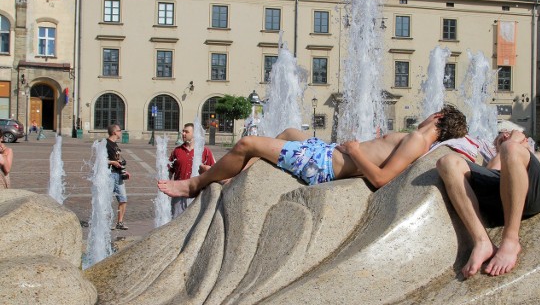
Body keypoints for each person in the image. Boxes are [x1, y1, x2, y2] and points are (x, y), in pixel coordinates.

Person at [158, 104, 468, 198]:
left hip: (323, 166)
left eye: (433, 113)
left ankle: (193, 186)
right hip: (326, 152)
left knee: (247, 144)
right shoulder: (420, 141)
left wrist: (356, 151)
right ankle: (235, 178)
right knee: (291, 131)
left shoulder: (418, 139)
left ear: (438, 118)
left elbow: (382, 179)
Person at [436, 128, 540, 279]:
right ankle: (482, 242)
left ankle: (511, 240)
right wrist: (502, 149)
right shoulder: (507, 152)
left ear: (526, 141)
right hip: (503, 189)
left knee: (511, 148)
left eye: (513, 135)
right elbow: (492, 171)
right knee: (447, 162)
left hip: (537, 191)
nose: (508, 136)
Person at [168, 123, 216, 218]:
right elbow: (169, 171)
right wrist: (167, 186)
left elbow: (214, 170)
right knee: (176, 221)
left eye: (186, 132)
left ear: (194, 134)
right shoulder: (177, 151)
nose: (183, 134)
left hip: (198, 194)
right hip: (179, 192)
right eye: (183, 131)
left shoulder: (205, 151)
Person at [106, 124, 130, 230]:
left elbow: (118, 160)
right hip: (109, 175)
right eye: (120, 130)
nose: (121, 132)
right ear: (114, 132)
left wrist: (124, 171)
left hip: (118, 175)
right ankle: (106, 222)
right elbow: (99, 160)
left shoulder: (115, 145)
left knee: (123, 199)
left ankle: (120, 222)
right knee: (106, 200)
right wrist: (112, 162)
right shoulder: (105, 144)